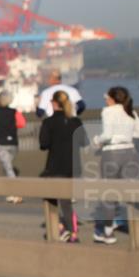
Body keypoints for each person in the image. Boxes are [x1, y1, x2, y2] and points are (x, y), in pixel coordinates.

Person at [91, 86, 139, 244]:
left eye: (106, 97)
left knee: (109, 194)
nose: (105, 99)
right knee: (134, 193)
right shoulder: (130, 111)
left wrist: (97, 140)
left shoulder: (108, 111)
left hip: (112, 154)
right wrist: (125, 136)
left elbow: (107, 135)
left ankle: (108, 234)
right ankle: (137, 231)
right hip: (131, 154)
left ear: (113, 98)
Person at [39, 89, 88, 243]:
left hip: (55, 166)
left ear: (54, 103)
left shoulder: (48, 122)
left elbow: (44, 145)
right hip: (73, 167)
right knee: (66, 200)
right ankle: (70, 230)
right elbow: (84, 142)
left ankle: (63, 227)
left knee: (53, 199)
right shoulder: (76, 122)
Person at [0, 91, 27, 203]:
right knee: (8, 166)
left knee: (8, 168)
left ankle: (16, 193)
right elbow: (22, 124)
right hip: (13, 143)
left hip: (1, 143)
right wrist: (11, 125)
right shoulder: (14, 112)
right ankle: (10, 192)